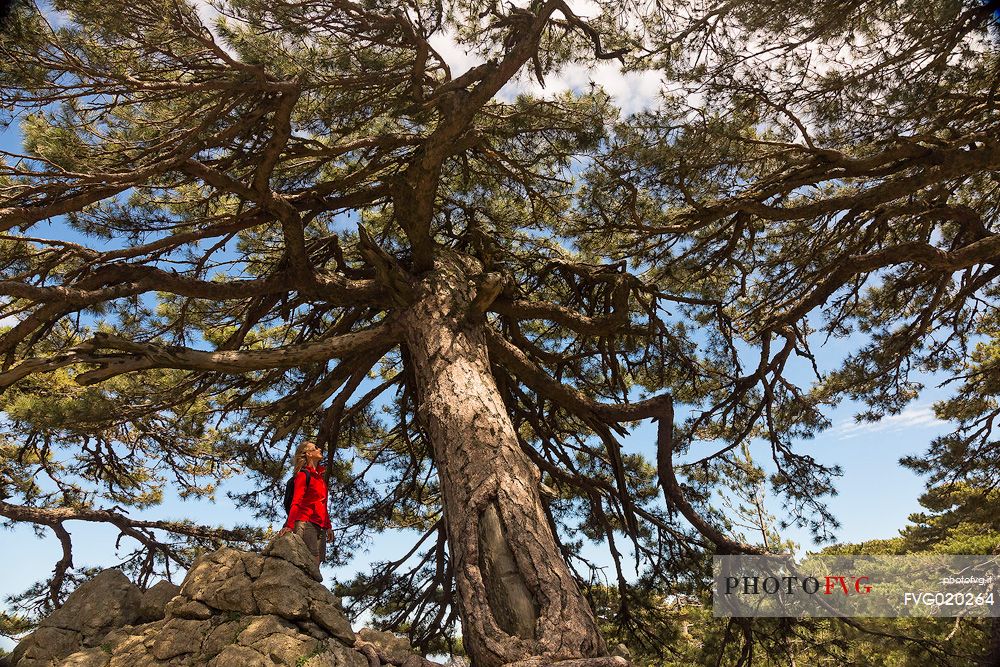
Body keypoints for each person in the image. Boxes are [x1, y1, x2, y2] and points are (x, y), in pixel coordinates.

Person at [278, 440, 332, 567]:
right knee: (310, 563)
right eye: (315, 448)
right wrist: (290, 526)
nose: (319, 450)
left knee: (316, 566)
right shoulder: (303, 475)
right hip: (305, 522)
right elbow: (296, 501)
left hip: (320, 525)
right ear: (308, 453)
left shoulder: (319, 478)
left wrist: (328, 526)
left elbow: (323, 504)